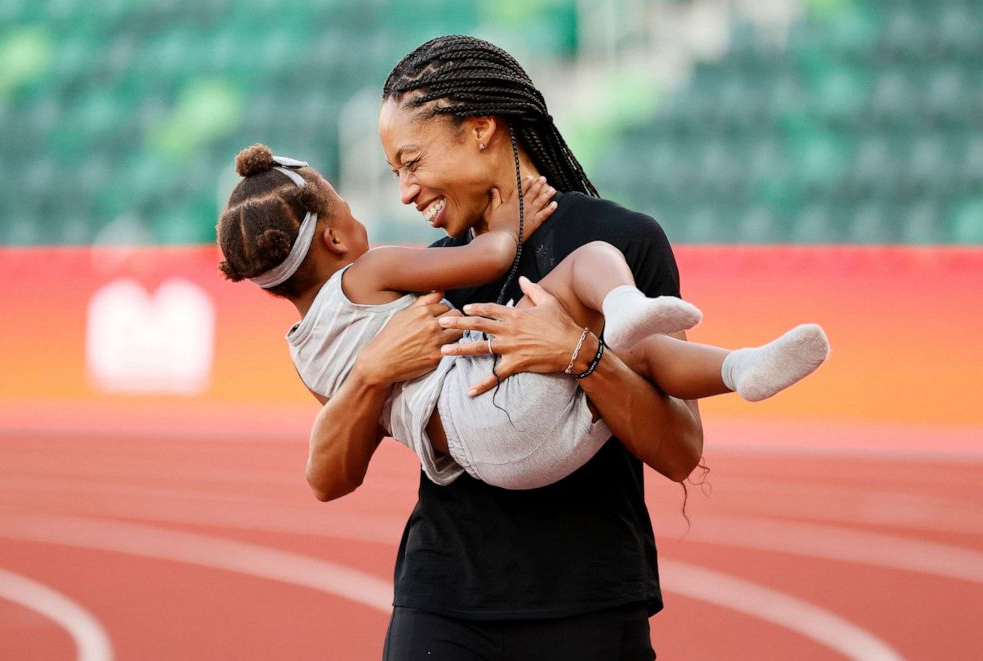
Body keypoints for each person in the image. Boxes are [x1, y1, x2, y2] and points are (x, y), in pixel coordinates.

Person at [293, 35, 817, 660]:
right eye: (395, 173)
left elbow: (680, 450)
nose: (405, 191)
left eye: (412, 161)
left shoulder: (622, 241)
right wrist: (371, 374)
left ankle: (739, 367)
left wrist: (581, 357)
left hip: (590, 603)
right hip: (444, 602)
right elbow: (327, 479)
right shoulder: (427, 276)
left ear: (481, 128)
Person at [216, 143, 828, 490]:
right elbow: (493, 252)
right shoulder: (367, 271)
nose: (399, 193)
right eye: (348, 205)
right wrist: (515, 217)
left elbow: (344, 443)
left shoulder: (303, 351)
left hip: (487, 461)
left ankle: (741, 368)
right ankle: (633, 307)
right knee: (592, 268)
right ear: (334, 239)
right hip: (491, 399)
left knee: (620, 352)